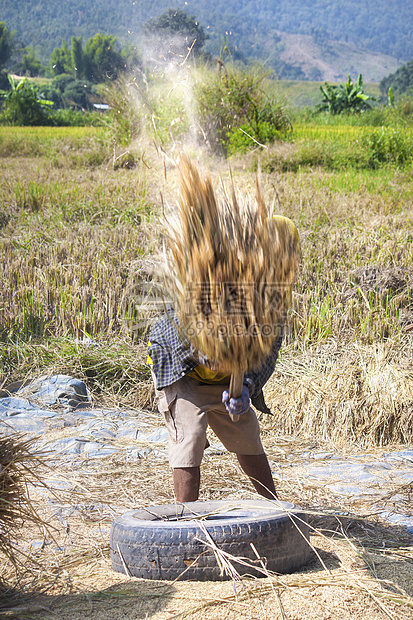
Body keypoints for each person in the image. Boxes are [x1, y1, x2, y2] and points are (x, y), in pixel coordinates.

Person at [147, 307, 284, 503]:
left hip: (226, 368)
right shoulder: (188, 317)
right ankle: (186, 519)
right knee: (190, 435)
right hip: (180, 370)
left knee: (245, 432)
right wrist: (215, 357)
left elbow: (266, 357)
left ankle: (275, 507)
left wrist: (246, 385)